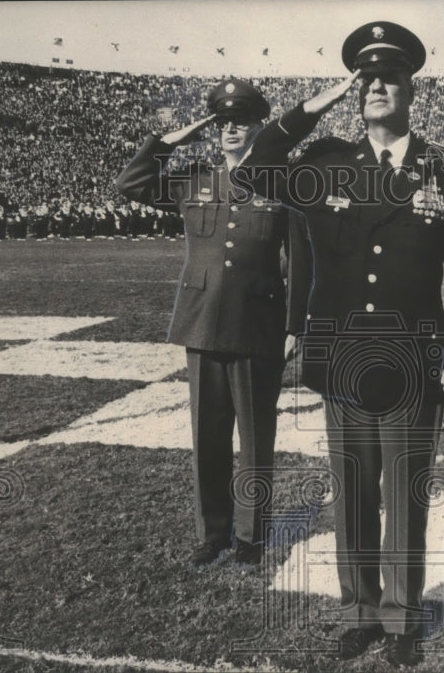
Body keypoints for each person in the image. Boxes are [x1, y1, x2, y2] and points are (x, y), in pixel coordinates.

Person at [237, 21, 444, 667]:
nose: (377, 87)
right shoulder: (324, 166)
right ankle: (359, 612)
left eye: (390, 79)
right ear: (354, 91)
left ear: (410, 90)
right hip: (343, 355)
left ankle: (401, 618)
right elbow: (254, 168)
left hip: (412, 355)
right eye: (366, 80)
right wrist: (309, 107)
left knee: (404, 492)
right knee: (352, 492)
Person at [116, 78, 291, 570]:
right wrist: (172, 140)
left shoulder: (280, 183)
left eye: (241, 120)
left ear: (260, 127)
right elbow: (130, 184)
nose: (231, 128)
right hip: (202, 326)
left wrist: (296, 324)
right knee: (207, 439)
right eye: (222, 121)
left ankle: (251, 537)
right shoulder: (195, 179)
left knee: (257, 440)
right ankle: (211, 534)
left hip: (259, 326)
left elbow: (299, 259)